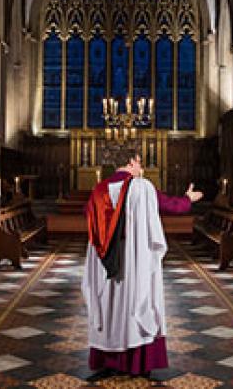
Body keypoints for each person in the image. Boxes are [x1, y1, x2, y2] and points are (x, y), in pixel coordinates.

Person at [82, 152, 203, 380]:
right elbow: (169, 205)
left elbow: (89, 217)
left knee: (109, 306)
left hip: (105, 260)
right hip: (134, 258)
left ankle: (108, 358)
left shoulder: (98, 190)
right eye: (139, 163)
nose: (141, 168)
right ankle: (135, 360)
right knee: (134, 302)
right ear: (130, 163)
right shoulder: (141, 187)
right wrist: (188, 199)